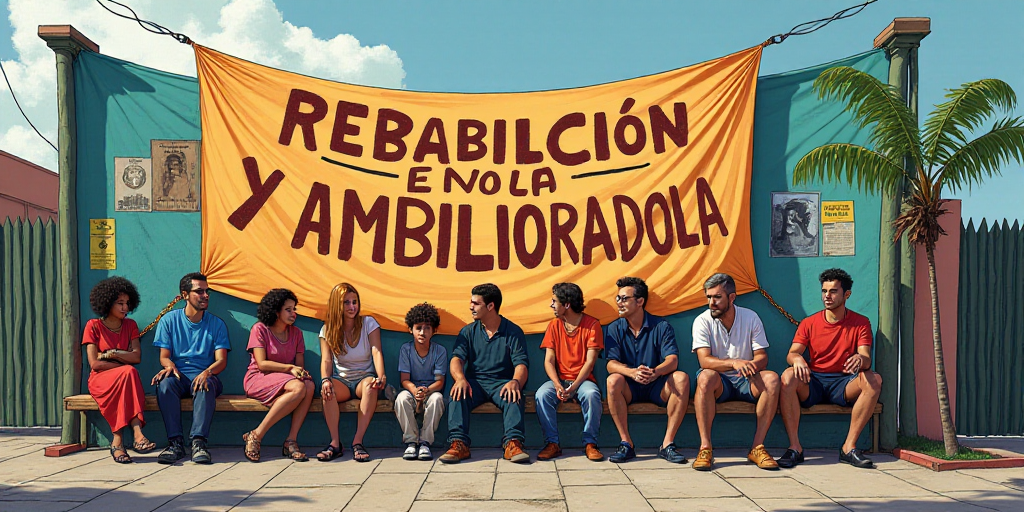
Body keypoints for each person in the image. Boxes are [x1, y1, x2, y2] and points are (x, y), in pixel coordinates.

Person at [778, 268, 882, 469]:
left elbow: (866, 358)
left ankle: (848, 448)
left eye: (833, 291)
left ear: (846, 294)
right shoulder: (809, 323)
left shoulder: (861, 323)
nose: (827, 296)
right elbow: (792, 353)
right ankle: (795, 448)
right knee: (788, 376)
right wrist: (797, 359)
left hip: (843, 383)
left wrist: (860, 359)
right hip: (814, 381)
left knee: (874, 380)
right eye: (824, 291)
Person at [691, 273, 780, 471]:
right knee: (705, 377)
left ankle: (757, 447)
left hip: (747, 380)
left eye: (717, 297)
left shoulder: (750, 317)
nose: (712, 302)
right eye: (709, 297)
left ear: (731, 297)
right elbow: (704, 360)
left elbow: (762, 357)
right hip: (719, 382)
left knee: (772, 379)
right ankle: (705, 448)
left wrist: (751, 365)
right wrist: (734, 363)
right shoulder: (702, 320)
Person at [439, 283, 531, 464]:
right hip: (475, 383)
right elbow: (456, 359)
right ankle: (458, 444)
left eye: (476, 303)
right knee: (457, 392)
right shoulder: (468, 331)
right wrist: (460, 379)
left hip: (502, 383)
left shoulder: (513, 331)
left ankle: (513, 443)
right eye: (471, 302)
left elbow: (521, 364)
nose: (471, 307)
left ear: (490, 306)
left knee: (514, 393)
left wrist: (515, 381)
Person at [605, 276, 690, 464]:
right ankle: (626, 444)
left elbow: (672, 360)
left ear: (640, 301)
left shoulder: (661, 326)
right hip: (629, 387)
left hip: (657, 386)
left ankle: (667, 445)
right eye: (618, 298)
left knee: (681, 378)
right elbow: (611, 364)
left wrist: (655, 372)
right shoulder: (614, 328)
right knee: (613, 380)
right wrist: (632, 372)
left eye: (624, 298)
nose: (619, 303)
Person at [151, 272, 230, 465]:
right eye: (199, 291)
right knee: (165, 384)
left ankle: (199, 443)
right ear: (185, 295)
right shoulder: (169, 321)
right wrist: (169, 367)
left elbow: (221, 361)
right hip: (180, 376)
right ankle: (175, 444)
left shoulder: (217, 324)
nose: (205, 295)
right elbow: (164, 356)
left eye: (207, 291)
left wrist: (207, 372)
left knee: (205, 385)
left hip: (206, 375)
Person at [83, 276, 154, 464]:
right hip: (100, 380)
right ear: (107, 303)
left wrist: (113, 353)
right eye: (120, 303)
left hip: (124, 379)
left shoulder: (130, 325)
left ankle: (118, 442)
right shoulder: (93, 326)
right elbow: (95, 364)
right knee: (129, 372)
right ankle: (137, 434)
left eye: (127, 303)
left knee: (128, 374)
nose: (125, 307)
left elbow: (137, 357)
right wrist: (123, 360)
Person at [241, 289, 315, 462]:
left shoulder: (296, 333)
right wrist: (290, 368)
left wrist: (300, 372)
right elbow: (262, 364)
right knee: (298, 387)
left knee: (309, 385)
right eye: (288, 310)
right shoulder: (259, 329)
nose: (293, 313)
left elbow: (299, 367)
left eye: (294, 309)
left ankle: (291, 441)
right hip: (258, 378)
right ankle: (256, 435)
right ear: (276, 311)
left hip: (285, 380)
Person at [316, 282, 386, 462]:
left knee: (371, 386)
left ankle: (357, 442)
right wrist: (325, 380)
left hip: (364, 378)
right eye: (346, 302)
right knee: (327, 390)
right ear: (337, 304)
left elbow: (376, 351)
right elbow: (326, 360)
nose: (352, 307)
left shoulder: (369, 323)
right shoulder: (327, 330)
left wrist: (381, 376)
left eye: (355, 302)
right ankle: (335, 443)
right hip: (343, 381)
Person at [535, 283, 605, 462]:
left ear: (566, 304)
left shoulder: (592, 325)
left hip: (583, 381)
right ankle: (552, 443)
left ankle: (590, 444)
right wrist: (557, 384)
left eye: (554, 301)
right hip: (560, 380)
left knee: (592, 394)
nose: (551, 305)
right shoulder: (554, 325)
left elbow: (590, 362)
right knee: (542, 395)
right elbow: (548, 360)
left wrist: (574, 387)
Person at [394, 303, 448, 461]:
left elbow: (439, 382)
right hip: (411, 390)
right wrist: (415, 391)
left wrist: (426, 391)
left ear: (434, 330)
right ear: (410, 329)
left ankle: (425, 442)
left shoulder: (439, 351)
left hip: (431, 391)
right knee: (401, 399)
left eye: (427, 328)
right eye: (418, 328)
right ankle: (411, 441)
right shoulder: (406, 349)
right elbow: (404, 379)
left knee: (437, 399)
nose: (422, 332)